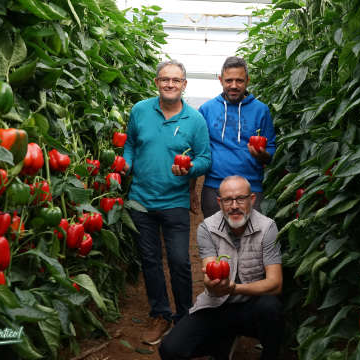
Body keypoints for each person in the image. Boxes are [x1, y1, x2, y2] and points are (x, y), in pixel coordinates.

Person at [122, 59, 212, 345]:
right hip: (141, 200)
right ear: (156, 82)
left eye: (176, 80)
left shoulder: (194, 119)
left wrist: (189, 169)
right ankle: (160, 313)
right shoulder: (140, 110)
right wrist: (126, 163)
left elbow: (205, 158)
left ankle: (184, 317)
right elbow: (130, 144)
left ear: (184, 85)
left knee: (179, 261)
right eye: (165, 79)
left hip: (174, 201)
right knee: (149, 260)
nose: (170, 84)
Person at [159, 175, 284, 360]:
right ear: (219, 202)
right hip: (218, 305)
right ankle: (221, 341)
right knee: (170, 349)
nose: (234, 205)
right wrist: (212, 284)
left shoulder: (267, 227)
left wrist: (235, 288)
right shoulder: (207, 228)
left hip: (252, 308)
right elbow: (209, 275)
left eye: (240, 198)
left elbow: (276, 283)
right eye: (227, 200)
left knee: (270, 307)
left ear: (252, 199)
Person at [196, 56, 276, 218]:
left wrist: (262, 155)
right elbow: (198, 150)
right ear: (220, 80)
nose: (233, 86)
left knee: (252, 240)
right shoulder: (207, 110)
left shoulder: (261, 110)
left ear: (247, 80)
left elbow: (271, 152)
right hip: (215, 188)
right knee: (215, 238)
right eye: (229, 80)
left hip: (250, 188)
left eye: (239, 81)